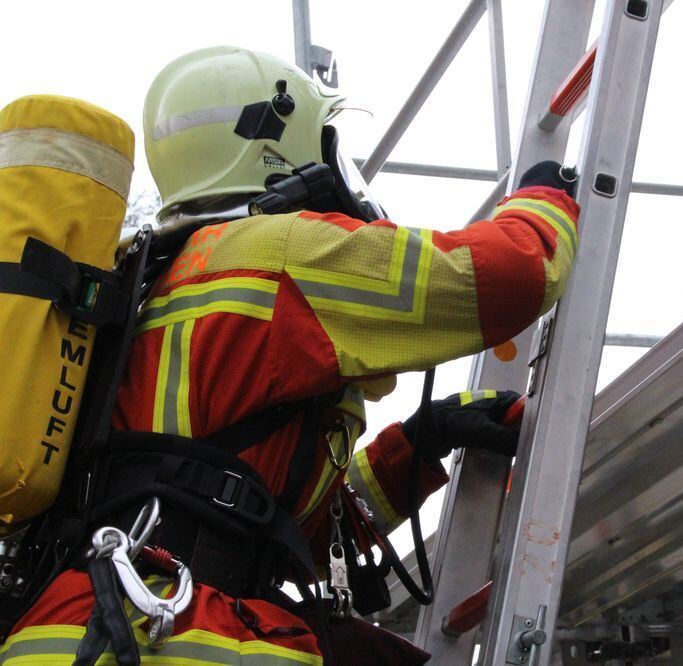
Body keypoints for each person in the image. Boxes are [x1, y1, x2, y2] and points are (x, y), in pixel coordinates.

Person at [0, 46, 578, 664]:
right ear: (279, 145)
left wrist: (418, 445)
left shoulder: (142, 283)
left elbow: (259, 512)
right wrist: (544, 199)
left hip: (81, 625)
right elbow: (513, 273)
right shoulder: (276, 253)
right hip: (183, 635)